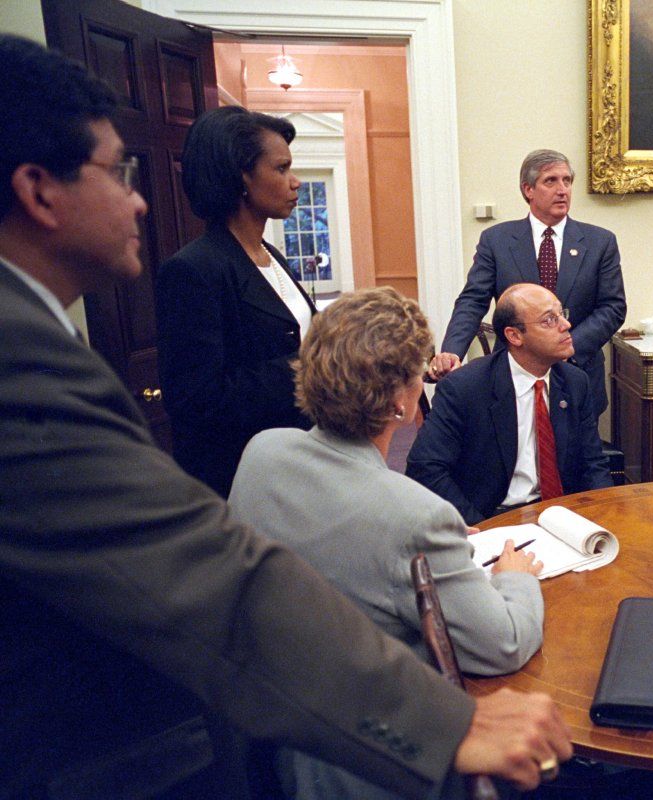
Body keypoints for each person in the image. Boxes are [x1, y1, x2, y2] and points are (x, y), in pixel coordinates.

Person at [0, 34, 570, 798]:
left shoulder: (271, 276)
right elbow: (221, 569)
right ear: (39, 192)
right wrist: (446, 722)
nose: (138, 198)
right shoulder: (35, 351)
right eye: (117, 171)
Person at [229, 286, 546, 799]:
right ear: (401, 399)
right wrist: (515, 582)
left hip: (267, 732)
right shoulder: (415, 514)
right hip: (374, 758)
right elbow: (502, 645)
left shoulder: (262, 451)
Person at [155, 105, 317, 498]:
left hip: (297, 461)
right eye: (280, 169)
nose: (295, 182)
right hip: (240, 479)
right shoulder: (193, 270)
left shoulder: (270, 255)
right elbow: (196, 401)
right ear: (240, 176)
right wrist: (309, 364)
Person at [429, 149, 626, 417]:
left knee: (576, 457)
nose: (562, 190)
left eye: (567, 181)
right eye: (551, 181)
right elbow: (473, 301)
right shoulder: (497, 240)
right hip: (512, 372)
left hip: (578, 370)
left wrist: (565, 346)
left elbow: (612, 307)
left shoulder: (599, 242)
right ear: (528, 189)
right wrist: (452, 351)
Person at [409, 283, 613, 525]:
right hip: (492, 515)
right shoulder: (465, 387)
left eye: (562, 314)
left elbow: (593, 463)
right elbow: (425, 469)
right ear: (514, 336)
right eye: (549, 320)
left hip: (561, 516)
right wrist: (481, 529)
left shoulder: (575, 382)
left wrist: (604, 517)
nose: (566, 325)